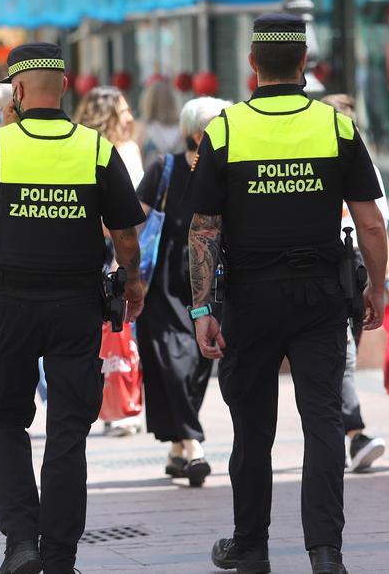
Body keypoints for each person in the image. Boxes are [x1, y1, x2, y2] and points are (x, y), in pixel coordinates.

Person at [187, 14, 388, 574]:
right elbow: (370, 224)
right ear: (305, 65)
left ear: (253, 65)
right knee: (323, 421)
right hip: (320, 295)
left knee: (252, 424)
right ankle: (325, 551)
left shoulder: (224, 131)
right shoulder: (337, 128)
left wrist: (203, 307)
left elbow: (204, 227)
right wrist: (375, 286)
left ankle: (250, 544)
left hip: (249, 297)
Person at [0, 43, 146, 574]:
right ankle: (60, 555)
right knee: (69, 428)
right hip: (77, 306)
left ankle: (21, 543)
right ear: (64, 86)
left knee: (8, 421)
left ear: (16, 92)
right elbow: (126, 233)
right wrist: (131, 282)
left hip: (13, 306)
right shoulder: (95, 150)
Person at [135, 96, 228, 488]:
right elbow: (134, 219)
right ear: (196, 133)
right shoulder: (165, 167)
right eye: (218, 125)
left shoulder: (226, 168)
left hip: (207, 277)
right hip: (165, 279)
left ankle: (176, 447)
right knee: (172, 361)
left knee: (199, 363)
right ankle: (193, 443)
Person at [321, 93, 389, 473]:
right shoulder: (317, 162)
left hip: (354, 262)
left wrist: (384, 280)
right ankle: (355, 435)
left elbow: (376, 226)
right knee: (345, 357)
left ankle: (332, 435)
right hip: (326, 263)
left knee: (344, 353)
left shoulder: (363, 165)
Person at [75, 85, 145, 437]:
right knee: (117, 329)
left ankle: (106, 404)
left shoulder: (81, 147)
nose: (131, 116)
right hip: (117, 249)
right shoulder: (123, 152)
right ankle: (118, 404)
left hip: (95, 249)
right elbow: (129, 213)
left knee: (101, 331)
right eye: (126, 109)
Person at [136, 79, 181, 169]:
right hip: (179, 181)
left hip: (150, 180)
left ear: (148, 102)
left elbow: (137, 163)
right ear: (172, 102)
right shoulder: (183, 130)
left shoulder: (142, 130)